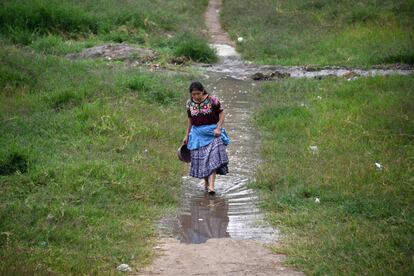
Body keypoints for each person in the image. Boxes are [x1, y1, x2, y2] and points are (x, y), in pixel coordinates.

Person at [183, 81, 230, 195]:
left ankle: (212, 187)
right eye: (193, 94)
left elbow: (222, 114)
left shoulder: (213, 100)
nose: (196, 96)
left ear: (203, 91)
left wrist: (218, 128)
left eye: (198, 93)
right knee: (203, 161)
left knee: (213, 159)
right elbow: (190, 120)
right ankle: (206, 184)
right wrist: (187, 135)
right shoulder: (189, 103)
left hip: (213, 133)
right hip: (197, 135)